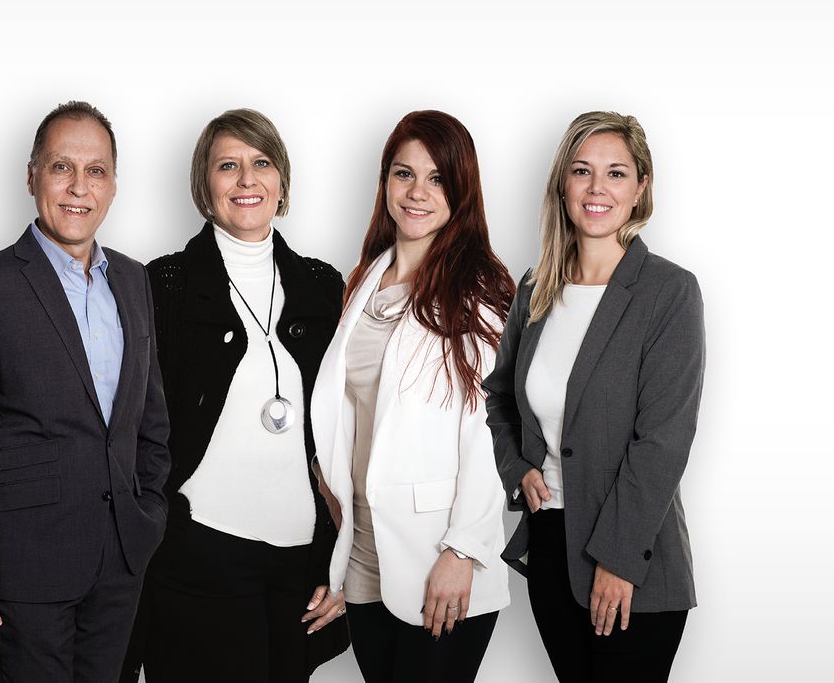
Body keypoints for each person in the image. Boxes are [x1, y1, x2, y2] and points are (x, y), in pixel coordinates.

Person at [0, 101, 171, 682]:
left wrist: (149, 513)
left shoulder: (133, 280)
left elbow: (149, 420)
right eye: (62, 167)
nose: (79, 187)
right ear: (32, 176)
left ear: (114, 186)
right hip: (23, 567)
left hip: (120, 560)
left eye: (96, 171)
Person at [123, 108, 351, 682]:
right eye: (228, 166)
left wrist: (345, 552)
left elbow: (345, 429)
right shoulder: (164, 283)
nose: (247, 179)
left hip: (300, 564)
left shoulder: (323, 285)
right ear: (205, 186)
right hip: (197, 557)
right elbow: (133, 425)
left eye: (262, 163)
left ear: (282, 181)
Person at [483, 111, 705, 682]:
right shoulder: (536, 288)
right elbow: (499, 397)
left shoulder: (668, 292)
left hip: (632, 559)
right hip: (550, 546)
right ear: (563, 185)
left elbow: (662, 441)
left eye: (616, 173)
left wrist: (618, 558)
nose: (597, 187)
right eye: (582, 171)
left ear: (641, 188)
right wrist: (517, 468)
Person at [313, 110, 516, 683]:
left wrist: (463, 550)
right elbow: (349, 409)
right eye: (404, 174)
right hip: (364, 553)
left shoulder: (476, 293)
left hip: (439, 558)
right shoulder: (363, 281)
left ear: (461, 190)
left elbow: (491, 429)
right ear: (385, 182)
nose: (417, 193)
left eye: (437, 179)